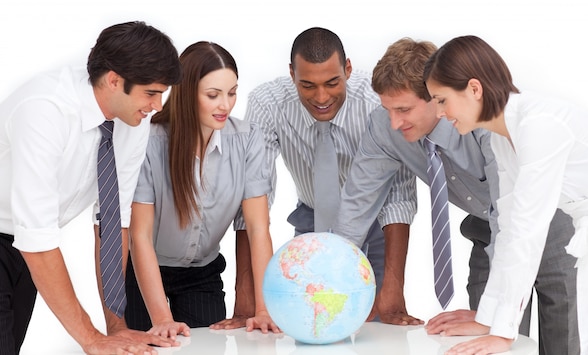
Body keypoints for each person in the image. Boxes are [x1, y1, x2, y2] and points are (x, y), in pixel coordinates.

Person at [331, 37, 581, 354]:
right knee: (485, 342)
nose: (395, 122)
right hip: (488, 229)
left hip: (553, 222)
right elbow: (355, 207)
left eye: (404, 109)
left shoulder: (487, 121)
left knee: (559, 341)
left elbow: (510, 213)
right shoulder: (384, 128)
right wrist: (330, 281)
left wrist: (499, 317)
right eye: (388, 109)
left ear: (438, 98)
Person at [423, 35, 588, 355]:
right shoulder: (503, 138)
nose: (438, 113)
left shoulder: (538, 127)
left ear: (474, 89)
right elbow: (509, 230)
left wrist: (503, 334)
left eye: (441, 100)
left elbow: (529, 232)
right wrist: (489, 319)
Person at [0, 21, 183, 355]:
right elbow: (37, 237)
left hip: (24, 246)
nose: (158, 106)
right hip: (23, 238)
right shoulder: (45, 110)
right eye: (151, 93)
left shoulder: (131, 117)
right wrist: (92, 339)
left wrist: (116, 329)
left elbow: (113, 222)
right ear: (114, 80)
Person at [226, 27, 394, 326]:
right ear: (292, 74)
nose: (321, 97)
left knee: (374, 327)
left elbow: (400, 191)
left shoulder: (376, 99)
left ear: (348, 69)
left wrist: (395, 290)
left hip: (375, 223)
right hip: (310, 223)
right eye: (307, 85)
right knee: (309, 324)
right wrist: (247, 296)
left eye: (332, 83)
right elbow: (252, 197)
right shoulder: (268, 103)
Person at [125, 41, 279, 339]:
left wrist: (263, 310)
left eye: (232, 93)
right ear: (185, 94)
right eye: (213, 95)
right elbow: (139, 235)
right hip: (145, 271)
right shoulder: (149, 141)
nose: (226, 105)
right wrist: (162, 318)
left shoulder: (247, 139)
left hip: (201, 273)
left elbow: (258, 229)